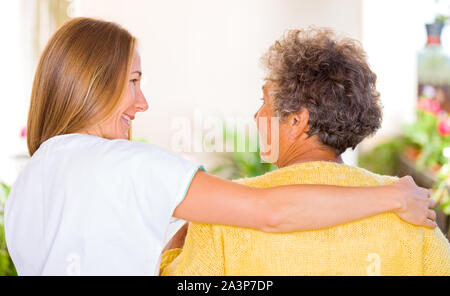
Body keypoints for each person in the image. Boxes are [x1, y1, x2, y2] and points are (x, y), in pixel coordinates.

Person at [4, 18, 435, 276]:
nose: (144, 101)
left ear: (297, 120)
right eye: (134, 81)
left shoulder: (26, 188)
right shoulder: (416, 221)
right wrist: (393, 195)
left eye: (262, 101)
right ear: (94, 82)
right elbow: (272, 212)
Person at [159, 28, 450, 276]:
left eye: (264, 102)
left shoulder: (226, 213)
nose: (257, 116)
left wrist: (183, 235)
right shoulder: (410, 210)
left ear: (297, 120)